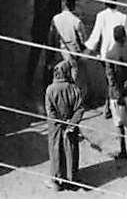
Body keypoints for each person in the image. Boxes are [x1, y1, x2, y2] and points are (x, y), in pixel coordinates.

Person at [44, 59, 87, 189]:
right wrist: (71, 123)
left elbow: (50, 110)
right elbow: (79, 109)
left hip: (56, 126)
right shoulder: (74, 89)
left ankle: (56, 181)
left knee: (56, 149)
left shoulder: (50, 89)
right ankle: (72, 178)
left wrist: (59, 122)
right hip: (70, 125)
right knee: (71, 150)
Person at [103, 25, 127, 160]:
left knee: (118, 122)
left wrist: (118, 93)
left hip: (115, 95)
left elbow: (110, 77)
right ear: (124, 37)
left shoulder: (110, 54)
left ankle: (123, 149)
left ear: (114, 37)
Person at [25, 0, 62, 92]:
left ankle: (46, 81)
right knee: (35, 56)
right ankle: (30, 79)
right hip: (40, 30)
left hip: (46, 30)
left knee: (48, 58)